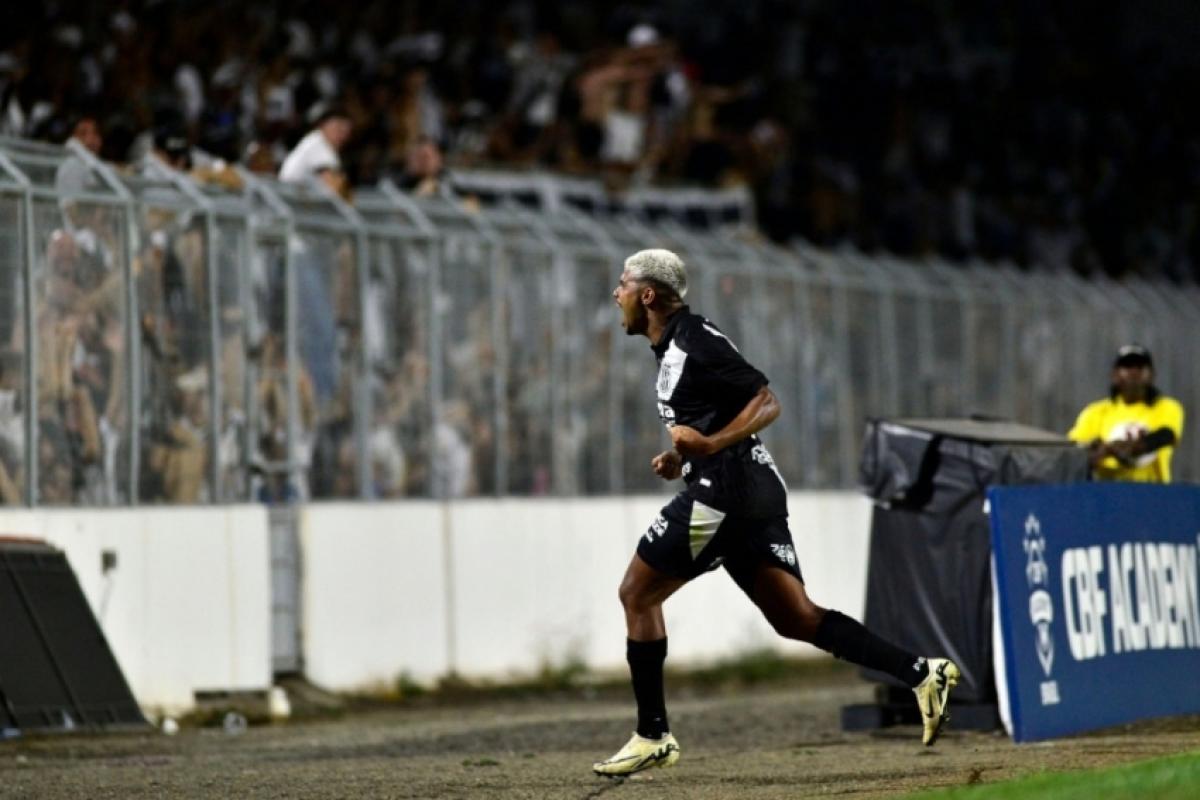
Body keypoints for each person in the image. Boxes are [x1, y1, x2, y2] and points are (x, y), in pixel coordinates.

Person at [593, 249, 960, 777]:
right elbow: (711, 415)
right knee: (797, 618)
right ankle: (922, 672)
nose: (616, 293)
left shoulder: (695, 338)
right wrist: (684, 454)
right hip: (748, 492)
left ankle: (653, 734)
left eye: (623, 284)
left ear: (647, 295)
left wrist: (711, 444)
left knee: (636, 593)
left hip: (726, 494)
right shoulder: (671, 346)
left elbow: (766, 400)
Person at [1068, 344, 1184, 482]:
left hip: (1154, 493)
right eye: (1127, 366)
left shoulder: (1166, 407)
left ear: (1151, 375)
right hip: (1105, 492)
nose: (1134, 372)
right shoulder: (1096, 412)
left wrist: (1132, 447)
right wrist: (1102, 451)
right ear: (1115, 375)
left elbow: (1166, 435)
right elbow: (1075, 449)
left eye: (1140, 367)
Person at [279, 105, 352, 200]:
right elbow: (333, 187)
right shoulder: (318, 144)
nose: (341, 134)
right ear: (323, 126)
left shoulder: (319, 143)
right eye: (337, 128)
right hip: (289, 201)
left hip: (294, 201)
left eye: (345, 131)